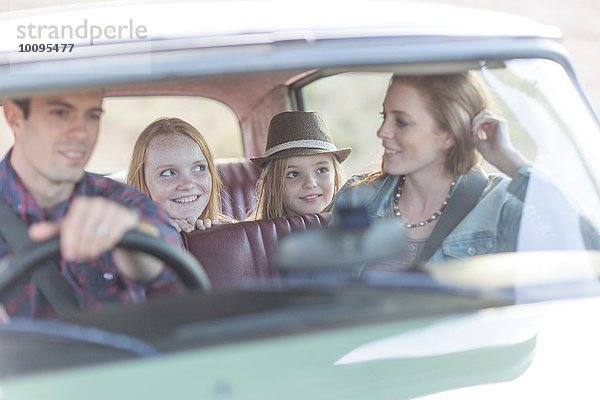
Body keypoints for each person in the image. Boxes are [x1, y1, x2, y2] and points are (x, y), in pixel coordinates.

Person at [0, 90, 183, 318]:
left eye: (92, 116)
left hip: (114, 352)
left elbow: (166, 252)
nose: (81, 133)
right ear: (14, 117)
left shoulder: (119, 199)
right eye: (60, 113)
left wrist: (131, 235)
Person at [331, 72, 533, 272]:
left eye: (401, 122)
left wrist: (510, 161)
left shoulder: (501, 206)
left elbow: (563, 230)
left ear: (449, 133)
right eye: (385, 116)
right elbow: (326, 294)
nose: (382, 131)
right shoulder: (356, 198)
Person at [127, 117, 234, 233]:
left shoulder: (234, 234)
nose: (188, 184)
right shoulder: (120, 244)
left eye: (199, 168)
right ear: (142, 181)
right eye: (168, 173)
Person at [249, 111, 351, 220]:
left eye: (322, 170)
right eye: (293, 174)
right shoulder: (259, 236)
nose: (310, 184)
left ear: (335, 177)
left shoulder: (356, 230)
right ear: (272, 185)